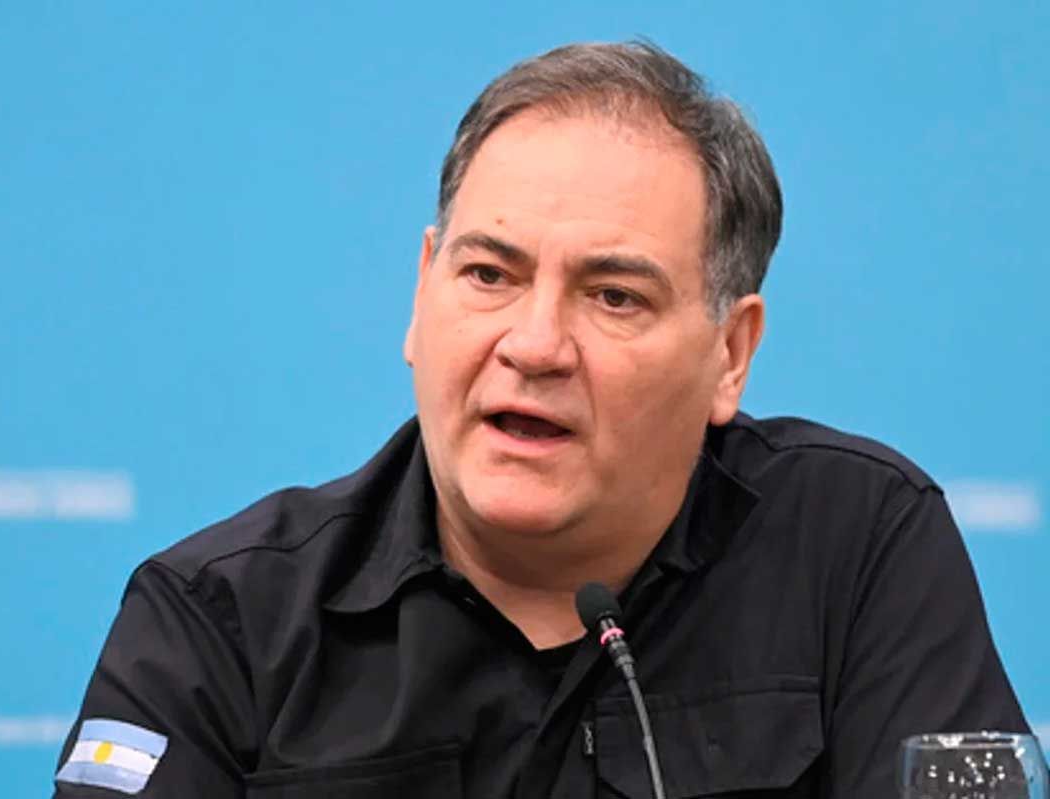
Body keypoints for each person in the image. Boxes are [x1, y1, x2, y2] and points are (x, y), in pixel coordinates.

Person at [53, 41, 1028, 798]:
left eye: (613, 296)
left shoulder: (855, 545)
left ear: (730, 354)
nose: (534, 344)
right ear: (421, 292)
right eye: (489, 274)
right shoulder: (219, 620)